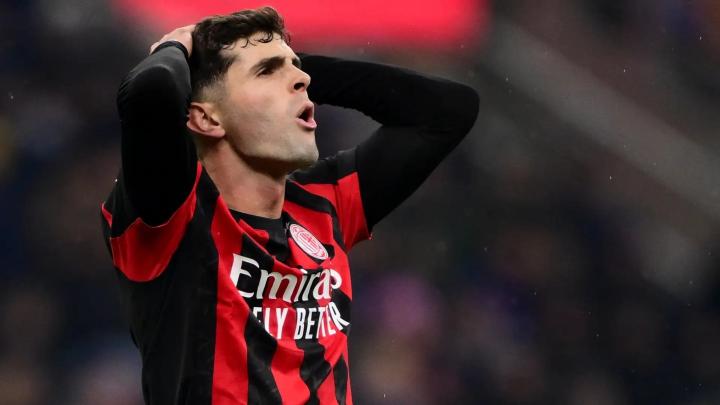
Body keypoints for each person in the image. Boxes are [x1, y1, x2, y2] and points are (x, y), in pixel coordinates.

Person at [100, 6, 478, 405]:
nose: (301, 80)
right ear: (206, 119)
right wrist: (176, 47)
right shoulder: (174, 214)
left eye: (296, 68)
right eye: (267, 71)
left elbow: (448, 110)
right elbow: (153, 91)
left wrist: (294, 74)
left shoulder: (326, 202)